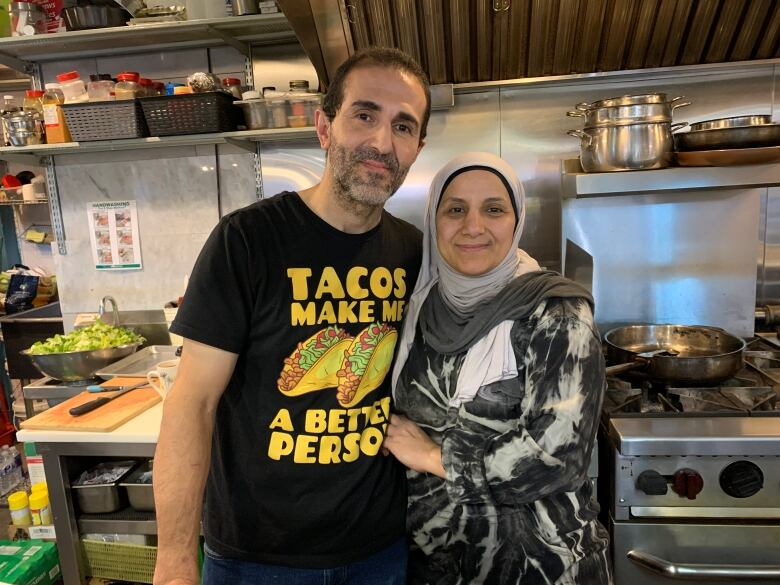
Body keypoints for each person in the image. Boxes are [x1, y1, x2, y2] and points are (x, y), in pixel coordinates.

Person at [153, 47, 431, 585]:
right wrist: (176, 559)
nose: (381, 142)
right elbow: (193, 401)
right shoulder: (246, 241)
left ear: (417, 147)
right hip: (257, 557)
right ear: (325, 127)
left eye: (403, 126)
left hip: (380, 550)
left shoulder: (414, 253)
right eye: (364, 115)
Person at [384, 152, 612, 585]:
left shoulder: (556, 312)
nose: (473, 226)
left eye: (493, 209)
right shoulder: (421, 306)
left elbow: (555, 456)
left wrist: (433, 458)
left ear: (516, 219)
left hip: (541, 568)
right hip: (435, 567)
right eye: (455, 210)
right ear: (435, 220)